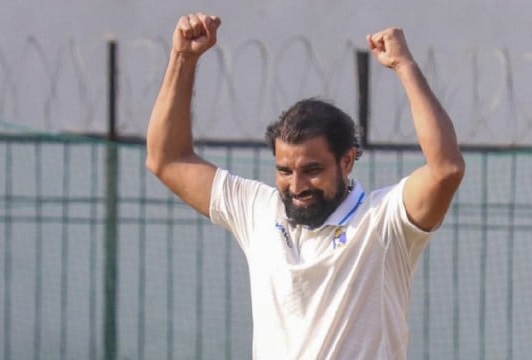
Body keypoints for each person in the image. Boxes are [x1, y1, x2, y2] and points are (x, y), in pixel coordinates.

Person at [146, 12, 465, 360]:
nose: (296, 186)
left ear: (347, 160)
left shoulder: (383, 223)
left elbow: (445, 169)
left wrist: (405, 66)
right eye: (284, 170)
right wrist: (183, 57)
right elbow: (167, 159)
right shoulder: (258, 210)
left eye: (312, 170)